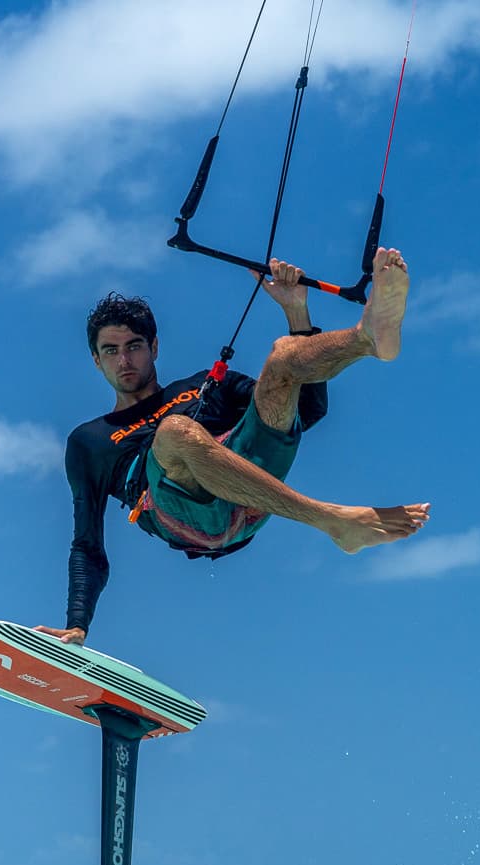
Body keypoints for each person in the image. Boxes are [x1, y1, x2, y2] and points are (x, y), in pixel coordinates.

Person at [36, 248, 428, 645]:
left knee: (282, 356)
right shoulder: (89, 441)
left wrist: (296, 312)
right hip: (190, 516)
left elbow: (307, 412)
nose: (124, 360)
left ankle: (368, 338)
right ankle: (331, 520)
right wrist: (77, 625)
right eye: (111, 351)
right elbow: (87, 544)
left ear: (154, 347)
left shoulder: (203, 383)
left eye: (134, 346)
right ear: (96, 360)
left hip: (252, 484)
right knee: (175, 432)